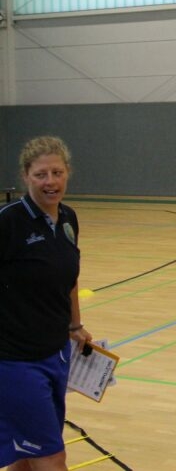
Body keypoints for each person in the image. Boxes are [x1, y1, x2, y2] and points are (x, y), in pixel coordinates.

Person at [1, 136, 92, 471]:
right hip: (15, 361)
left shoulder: (68, 218)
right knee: (51, 456)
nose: (50, 182)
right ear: (26, 176)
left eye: (57, 172)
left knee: (27, 453)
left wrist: (75, 324)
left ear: (68, 172)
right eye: (40, 174)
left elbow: (69, 276)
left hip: (56, 353)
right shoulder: (8, 222)